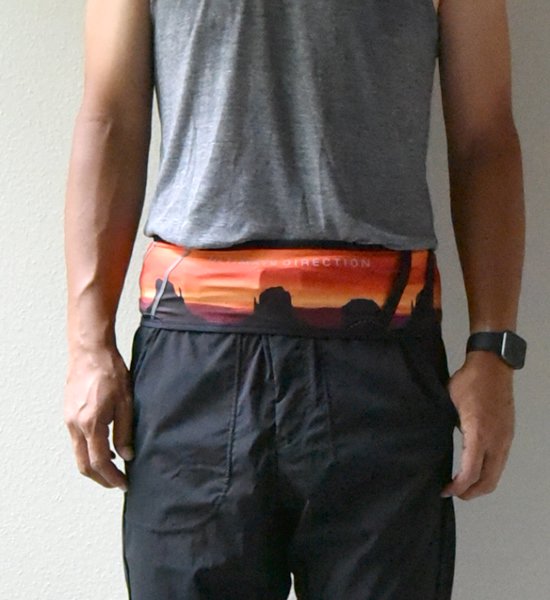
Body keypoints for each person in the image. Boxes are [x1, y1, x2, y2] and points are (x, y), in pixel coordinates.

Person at [63, 0, 526, 598]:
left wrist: (493, 350)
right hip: (195, 367)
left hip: (382, 368)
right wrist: (87, 347)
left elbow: (485, 138)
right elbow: (109, 118)